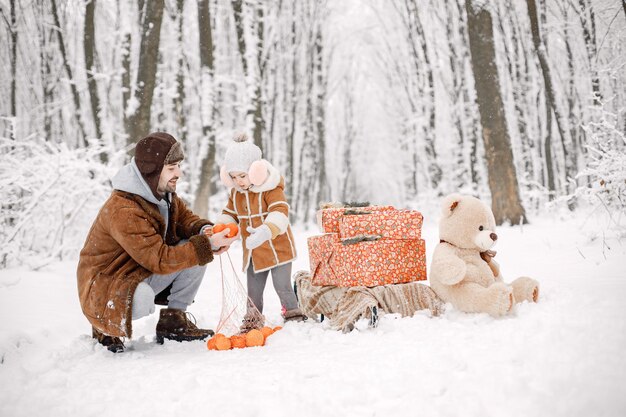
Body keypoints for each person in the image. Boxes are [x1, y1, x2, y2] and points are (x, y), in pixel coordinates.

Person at [77, 132, 238, 353]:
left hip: (135, 271)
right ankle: (104, 326)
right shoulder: (124, 209)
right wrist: (207, 244)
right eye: (171, 168)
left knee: (195, 248)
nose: (179, 173)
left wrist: (205, 231)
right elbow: (159, 259)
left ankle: (173, 322)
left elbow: (185, 220)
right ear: (151, 171)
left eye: (179, 166)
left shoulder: (162, 194)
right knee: (144, 296)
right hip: (106, 286)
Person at [216, 133, 306, 330]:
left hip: (278, 249)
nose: (239, 181)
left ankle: (292, 313)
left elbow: (280, 211)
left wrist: (266, 230)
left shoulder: (272, 189)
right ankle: (253, 318)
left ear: (256, 171)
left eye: (243, 175)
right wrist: (221, 227)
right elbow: (230, 213)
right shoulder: (236, 193)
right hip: (253, 253)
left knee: (281, 286)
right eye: (234, 177)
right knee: (253, 291)